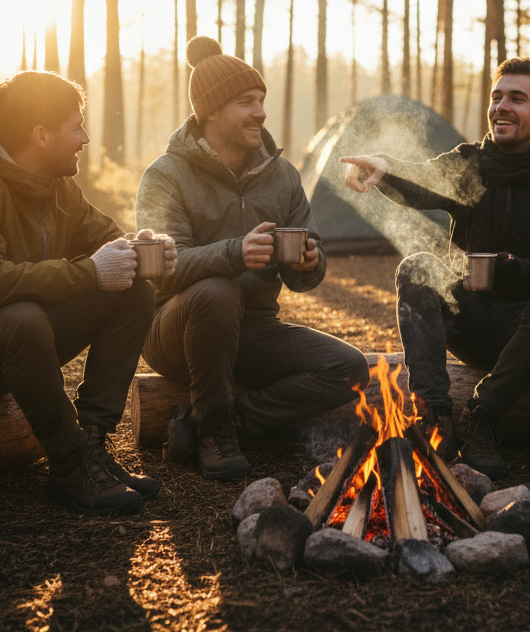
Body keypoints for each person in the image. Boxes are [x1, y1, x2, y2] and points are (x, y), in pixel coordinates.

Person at [0, 71, 176, 516]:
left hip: (5, 342)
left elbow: (104, 240)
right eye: (77, 126)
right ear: (41, 135)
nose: (85, 138)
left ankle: (90, 445)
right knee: (22, 320)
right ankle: (68, 463)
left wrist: (143, 249)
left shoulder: (57, 185)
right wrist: (89, 273)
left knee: (131, 292)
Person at [341, 58, 530, 479]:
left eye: (518, 98)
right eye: (497, 97)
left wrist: (514, 270)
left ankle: (481, 418)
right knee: (418, 268)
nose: (501, 107)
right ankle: (435, 417)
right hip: (473, 322)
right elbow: (423, 178)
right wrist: (383, 168)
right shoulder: (470, 163)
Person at [135, 36, 370, 480]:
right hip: (175, 327)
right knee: (216, 292)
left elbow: (309, 275)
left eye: (261, 100)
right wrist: (234, 253)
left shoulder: (282, 176)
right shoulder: (166, 174)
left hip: (254, 327)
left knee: (348, 368)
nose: (261, 113)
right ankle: (215, 438)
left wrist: (307, 261)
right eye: (247, 102)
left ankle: (224, 420)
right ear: (211, 111)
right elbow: (162, 270)